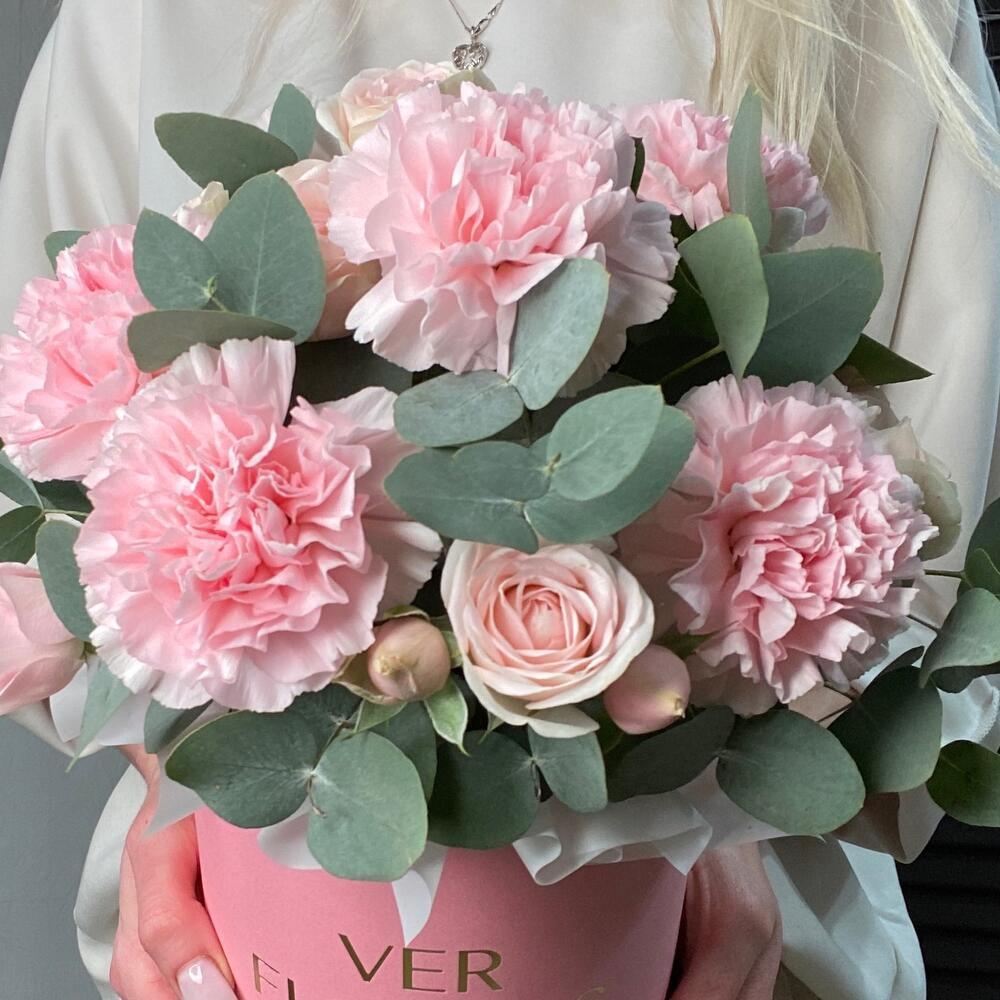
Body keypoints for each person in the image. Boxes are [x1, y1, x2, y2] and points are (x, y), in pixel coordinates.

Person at [0, 1, 997, 998]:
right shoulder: (138, 17)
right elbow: (42, 493)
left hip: (708, 961)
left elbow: (931, 604)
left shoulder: (871, 24)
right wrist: (170, 784)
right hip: (246, 940)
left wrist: (717, 822)